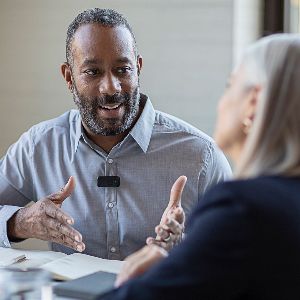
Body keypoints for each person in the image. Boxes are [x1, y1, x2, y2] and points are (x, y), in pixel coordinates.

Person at [0, 8, 231, 260]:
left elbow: (242, 254)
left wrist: (188, 248)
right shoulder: (38, 147)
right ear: (69, 77)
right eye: (93, 72)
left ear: (138, 68)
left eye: (122, 70)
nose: (111, 87)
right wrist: (19, 222)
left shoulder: (202, 157)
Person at [98, 34, 300, 299]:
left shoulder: (241, 210)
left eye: (230, 86)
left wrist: (136, 280)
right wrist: (176, 264)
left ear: (253, 103)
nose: (222, 102)